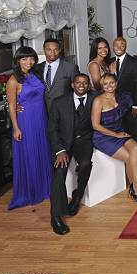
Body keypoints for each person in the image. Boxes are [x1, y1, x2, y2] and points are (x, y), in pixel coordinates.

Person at [6, 47, 52, 210]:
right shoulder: (13, 80)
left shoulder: (36, 73)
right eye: (24, 59)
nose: (29, 62)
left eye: (31, 58)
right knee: (30, 153)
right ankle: (32, 190)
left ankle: (45, 187)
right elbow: (11, 106)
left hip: (41, 118)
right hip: (26, 121)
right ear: (18, 60)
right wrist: (16, 128)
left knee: (43, 151)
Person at [47, 73, 95, 235]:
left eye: (85, 83)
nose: (81, 85)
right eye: (78, 82)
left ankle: (77, 196)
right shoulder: (59, 102)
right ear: (72, 85)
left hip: (84, 141)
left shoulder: (96, 98)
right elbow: (52, 129)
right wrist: (60, 150)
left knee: (86, 164)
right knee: (59, 173)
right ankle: (56, 216)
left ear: (89, 86)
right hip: (64, 143)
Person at [91, 73, 137, 203]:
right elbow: (95, 125)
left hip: (119, 131)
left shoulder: (122, 97)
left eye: (112, 82)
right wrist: (116, 135)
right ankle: (136, 191)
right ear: (101, 86)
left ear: (116, 83)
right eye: (105, 84)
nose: (109, 86)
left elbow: (132, 106)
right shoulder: (98, 101)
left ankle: (135, 188)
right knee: (128, 157)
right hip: (103, 136)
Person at [110, 37, 137, 150]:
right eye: (116, 45)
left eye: (122, 45)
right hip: (114, 104)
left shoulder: (135, 62)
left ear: (126, 46)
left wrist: (136, 105)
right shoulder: (109, 62)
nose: (119, 47)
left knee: (134, 130)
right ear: (113, 46)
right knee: (119, 130)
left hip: (131, 104)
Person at [37, 38, 79, 113]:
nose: (52, 52)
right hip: (42, 112)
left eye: (55, 49)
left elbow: (78, 91)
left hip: (64, 111)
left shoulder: (71, 68)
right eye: (49, 49)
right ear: (44, 50)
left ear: (60, 50)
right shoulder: (37, 68)